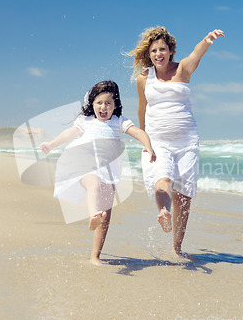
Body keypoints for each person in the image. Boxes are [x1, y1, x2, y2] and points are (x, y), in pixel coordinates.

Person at [128, 27, 225, 256]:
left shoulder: (182, 69)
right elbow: (142, 107)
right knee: (163, 177)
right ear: (149, 54)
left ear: (170, 51)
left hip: (187, 141)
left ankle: (176, 248)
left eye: (162, 49)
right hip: (158, 140)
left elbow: (195, 55)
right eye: (154, 50)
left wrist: (207, 40)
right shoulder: (144, 79)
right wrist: (144, 137)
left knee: (184, 196)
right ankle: (163, 211)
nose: (158, 54)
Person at [40, 80, 156, 265]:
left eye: (108, 103)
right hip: (84, 166)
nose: (104, 107)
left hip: (109, 171)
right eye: (99, 103)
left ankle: (95, 256)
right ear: (92, 103)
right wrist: (51, 144)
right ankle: (92, 215)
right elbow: (68, 134)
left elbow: (140, 133)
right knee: (93, 184)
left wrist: (148, 147)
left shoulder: (119, 122)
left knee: (106, 215)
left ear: (115, 105)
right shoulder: (86, 121)